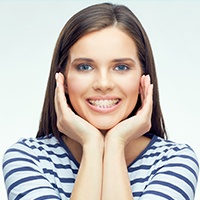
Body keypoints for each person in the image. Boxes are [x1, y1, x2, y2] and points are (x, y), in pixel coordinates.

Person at [2, 3, 199, 200]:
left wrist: (115, 144)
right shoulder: (28, 159)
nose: (103, 84)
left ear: (143, 78)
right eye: (85, 67)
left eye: (121, 67)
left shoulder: (174, 161)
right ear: (63, 79)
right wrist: (92, 145)